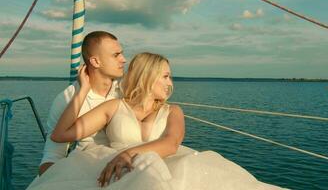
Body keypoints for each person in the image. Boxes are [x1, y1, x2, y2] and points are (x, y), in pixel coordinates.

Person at [29, 52, 285, 190]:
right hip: (115, 174)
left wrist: (129, 154)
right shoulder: (114, 107)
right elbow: (60, 135)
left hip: (167, 170)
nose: (170, 83)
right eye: (165, 76)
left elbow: (171, 143)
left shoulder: (174, 111)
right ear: (147, 76)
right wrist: (83, 88)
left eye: (170, 77)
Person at [38, 31, 126, 175]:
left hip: (124, 163)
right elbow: (53, 154)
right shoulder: (67, 98)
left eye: (121, 53)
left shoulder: (127, 92)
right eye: (116, 55)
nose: (124, 60)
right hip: (86, 167)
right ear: (95, 61)